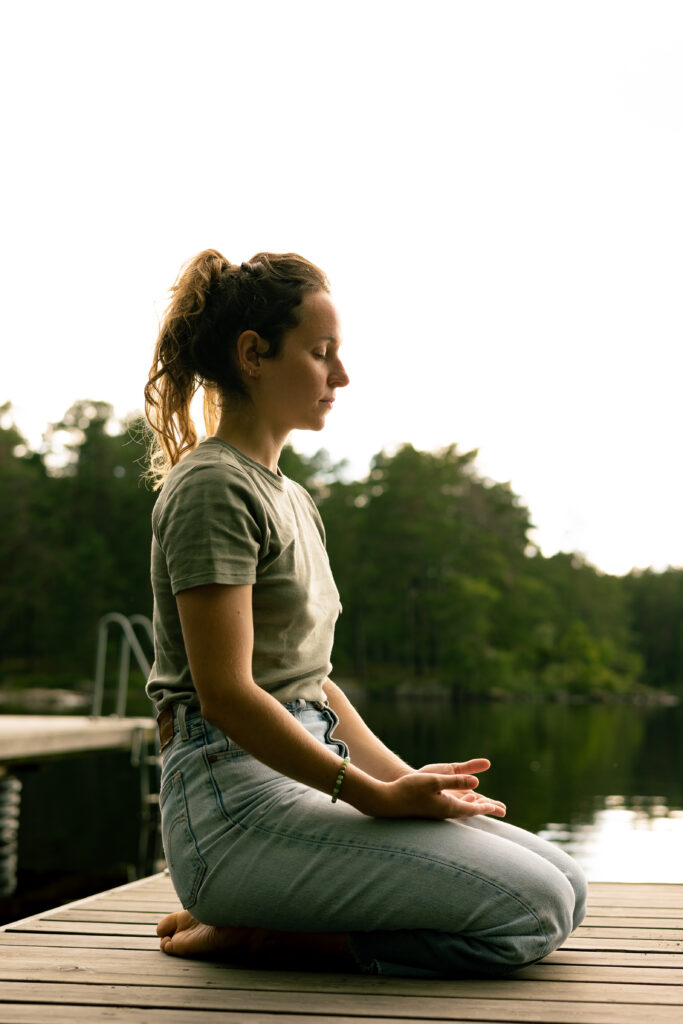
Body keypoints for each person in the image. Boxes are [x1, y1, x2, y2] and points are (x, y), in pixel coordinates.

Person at [143, 248, 586, 977]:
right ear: (253, 354)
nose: (340, 377)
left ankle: (266, 914)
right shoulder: (212, 488)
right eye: (321, 355)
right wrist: (375, 799)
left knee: (566, 884)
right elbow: (225, 695)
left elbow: (311, 687)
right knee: (529, 912)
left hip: (304, 773)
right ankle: (259, 933)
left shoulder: (291, 497)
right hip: (229, 805)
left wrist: (408, 785)